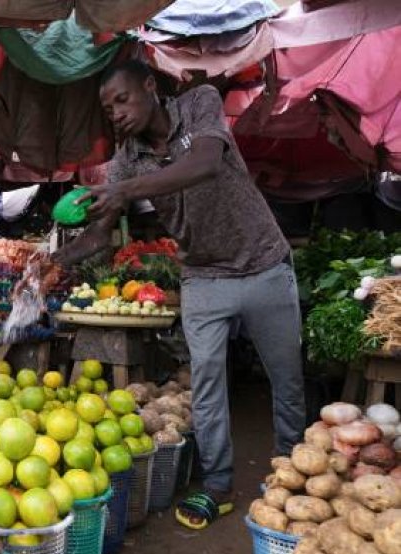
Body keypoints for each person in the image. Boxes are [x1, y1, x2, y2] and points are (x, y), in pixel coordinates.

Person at [43, 60, 305, 530]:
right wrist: (52, 263)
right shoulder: (127, 158)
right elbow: (101, 236)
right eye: (108, 109)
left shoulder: (198, 104)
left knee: (285, 380)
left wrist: (123, 189)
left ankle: (294, 474)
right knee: (206, 382)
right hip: (203, 275)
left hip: (264, 262)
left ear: (149, 86)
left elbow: (204, 163)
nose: (117, 114)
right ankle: (219, 485)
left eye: (122, 100)